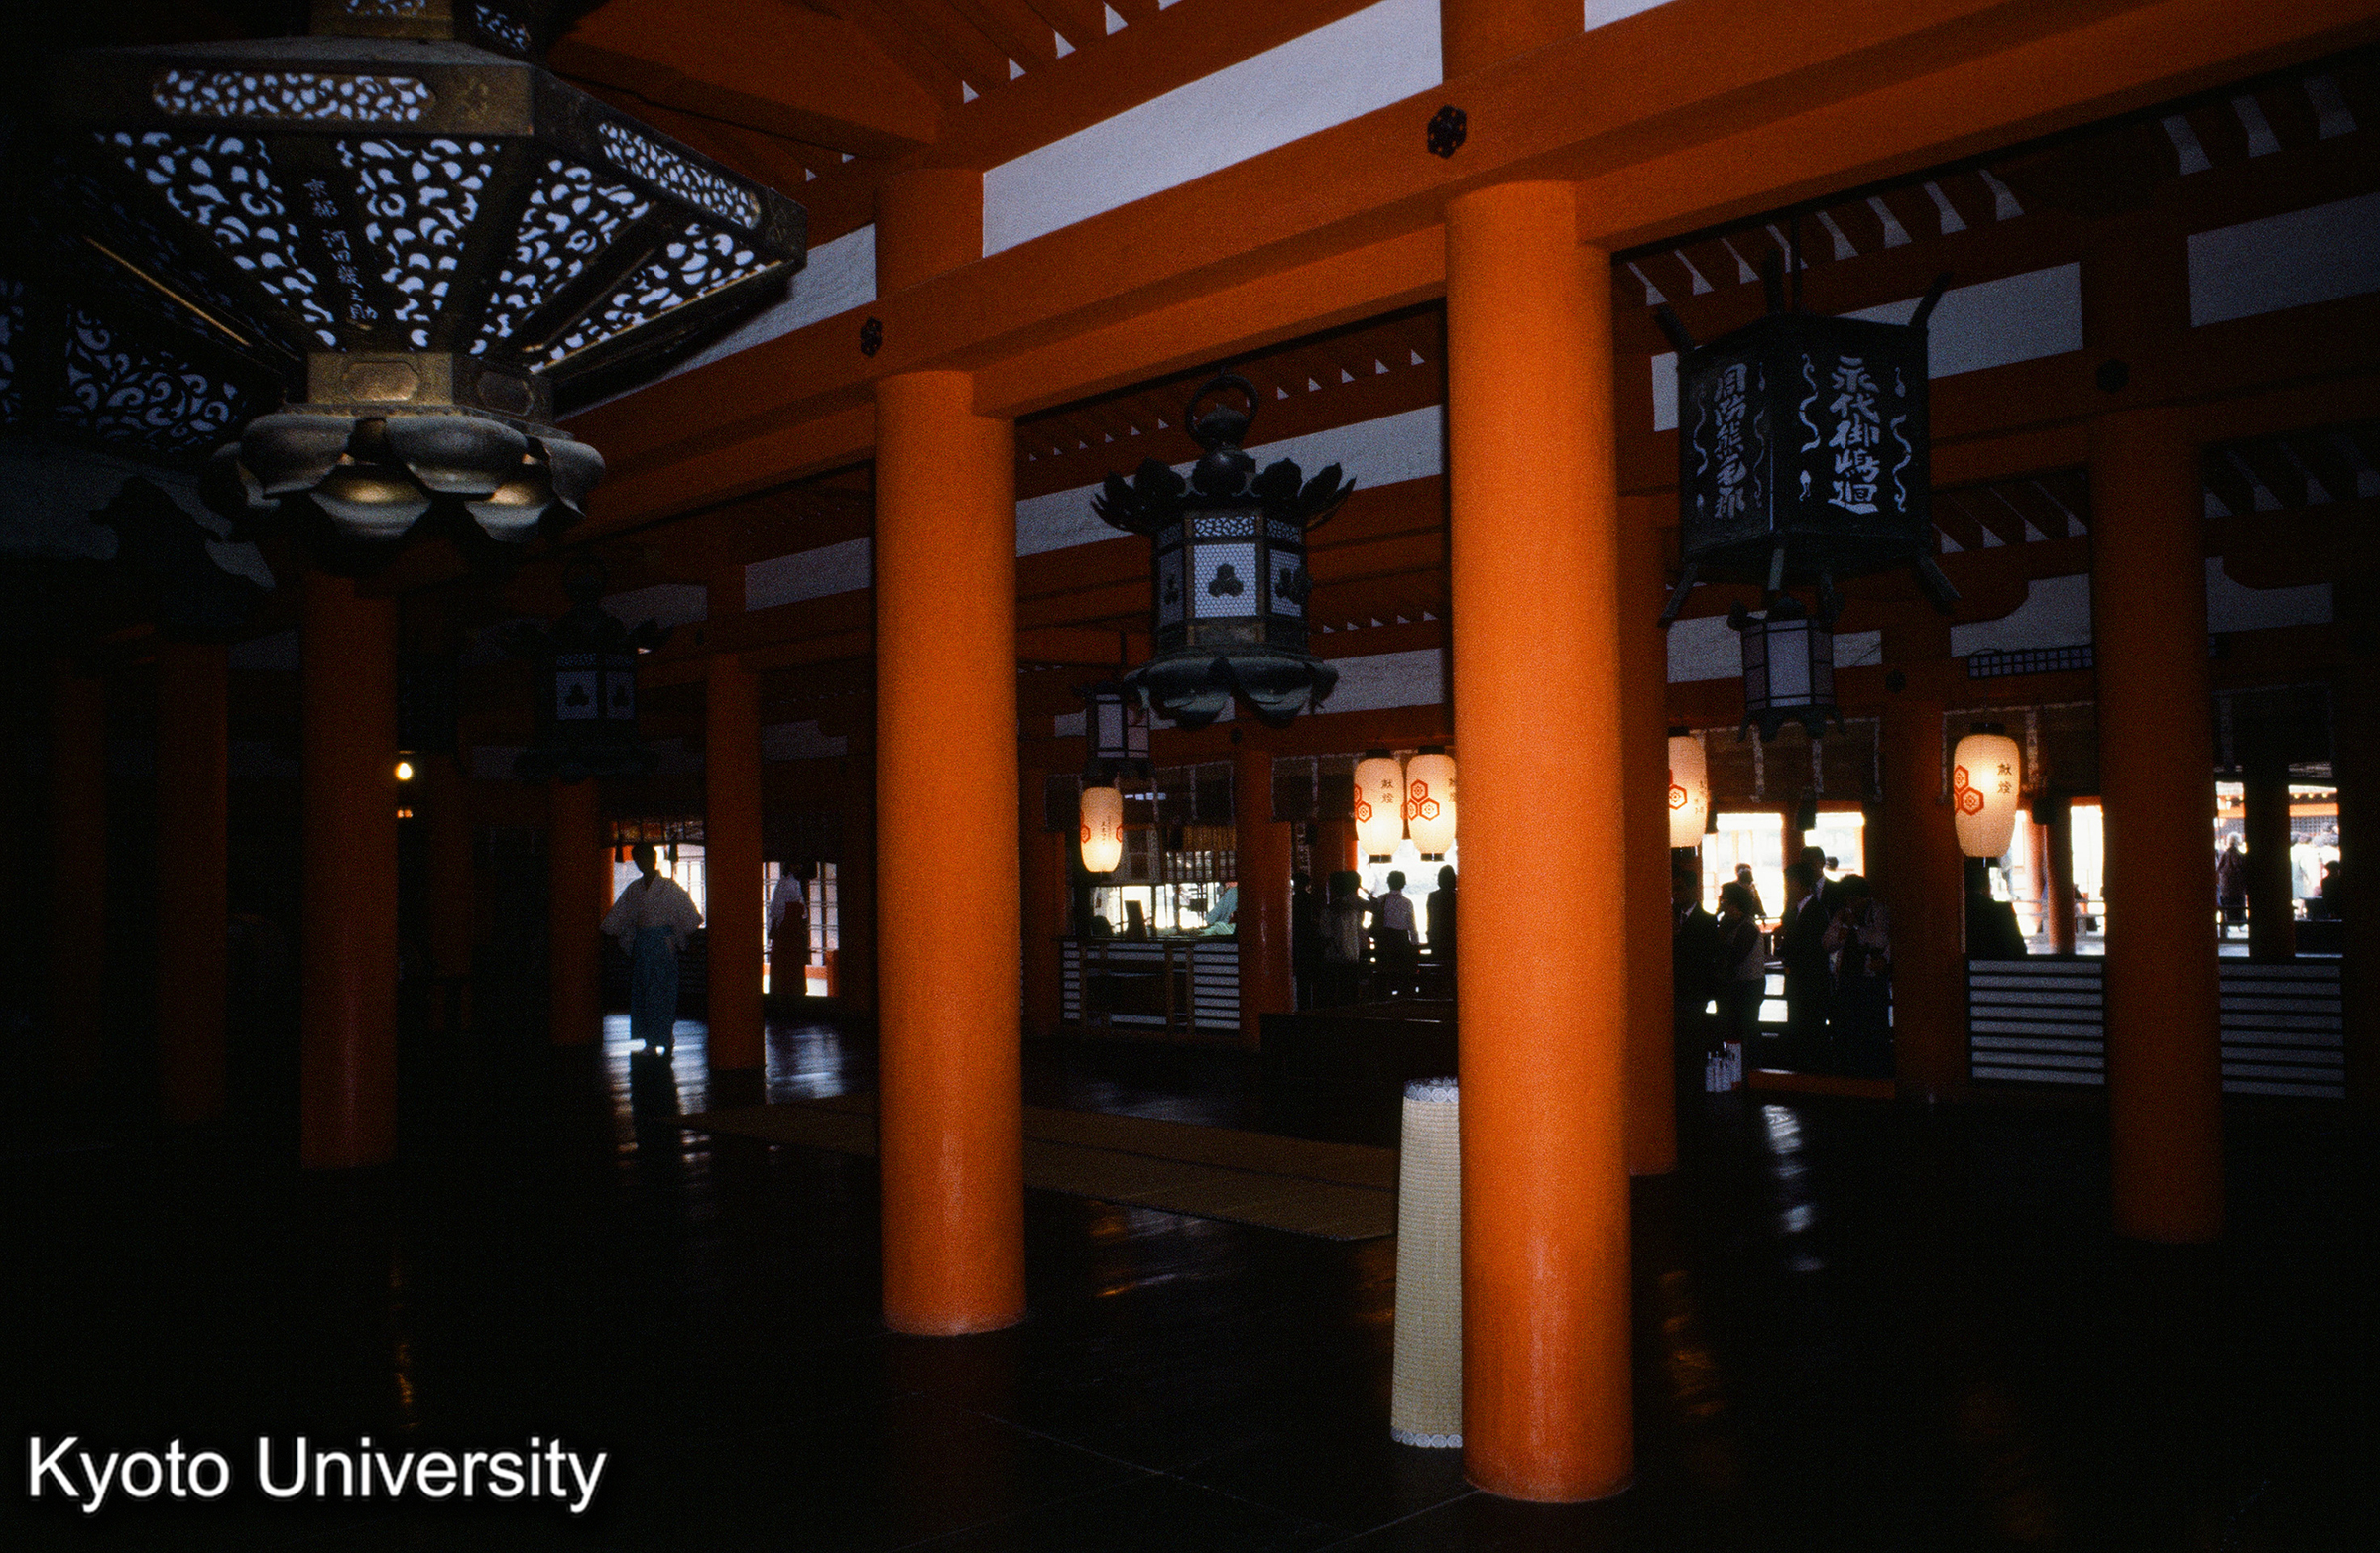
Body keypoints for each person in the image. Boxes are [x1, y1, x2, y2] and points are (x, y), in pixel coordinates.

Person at [602, 843, 703, 1057]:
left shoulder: (669, 887)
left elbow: (686, 913)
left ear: (654, 858)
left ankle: (664, 1035)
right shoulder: (634, 889)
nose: (641, 863)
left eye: (645, 857)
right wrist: (608, 934)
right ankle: (651, 1040)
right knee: (644, 993)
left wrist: (692, 939)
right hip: (643, 945)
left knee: (663, 993)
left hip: (662, 946)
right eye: (638, 859)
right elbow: (621, 914)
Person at [1822, 874, 1892, 1075]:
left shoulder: (1878, 912)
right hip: (1846, 979)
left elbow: (1879, 940)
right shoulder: (1841, 914)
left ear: (1865, 897)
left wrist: (1856, 927)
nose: (1851, 904)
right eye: (1847, 900)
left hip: (1870, 980)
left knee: (1872, 1031)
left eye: (1854, 899)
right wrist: (1843, 929)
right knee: (1846, 1029)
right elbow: (1827, 942)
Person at [1777, 859, 1833, 1064]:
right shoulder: (1796, 912)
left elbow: (1809, 949)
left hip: (1811, 984)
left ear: (1798, 883)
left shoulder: (1815, 911)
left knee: (1810, 1033)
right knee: (1798, 1031)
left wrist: (1788, 944)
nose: (1787, 888)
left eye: (1789, 883)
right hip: (1799, 983)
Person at [1671, 867, 1721, 1087]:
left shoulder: (1707, 922)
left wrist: (1679, 937)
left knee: (1692, 1042)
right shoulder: (1666, 916)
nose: (1675, 893)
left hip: (1694, 992)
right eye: (1672, 888)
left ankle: (1694, 1085)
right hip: (1671, 991)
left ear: (1693, 889)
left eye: (1680, 888)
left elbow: (1705, 957)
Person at [1712, 880, 1767, 1056]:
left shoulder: (1748, 928)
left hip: (1747, 987)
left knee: (1746, 1028)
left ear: (1735, 904)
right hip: (1737, 987)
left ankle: (1751, 1065)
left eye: (1725, 901)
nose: (1722, 905)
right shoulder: (1730, 925)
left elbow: (1735, 957)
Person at [1318, 870, 1368, 1008]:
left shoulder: (1330, 910)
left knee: (1333, 995)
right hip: (1352, 955)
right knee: (1350, 994)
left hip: (1334, 956)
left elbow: (1326, 934)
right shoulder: (1355, 908)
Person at [1369, 870, 1416, 997]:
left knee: (1385, 973)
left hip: (1385, 941)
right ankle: (1403, 998)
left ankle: (1383, 998)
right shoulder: (1407, 903)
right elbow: (1411, 926)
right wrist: (1415, 943)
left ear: (1388, 883)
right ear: (1403, 883)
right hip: (1401, 941)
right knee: (1403, 974)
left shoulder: (1382, 899)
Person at [767, 867, 809, 1000]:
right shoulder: (785, 882)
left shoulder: (795, 882)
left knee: (789, 962)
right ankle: (787, 991)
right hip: (786, 928)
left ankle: (788, 990)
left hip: (792, 928)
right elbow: (776, 908)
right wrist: (774, 926)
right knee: (787, 962)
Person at [1290, 873, 1322, 1008]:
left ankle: (1302, 1005)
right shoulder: (1312, 900)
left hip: (1297, 941)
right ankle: (1312, 1005)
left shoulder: (1291, 901)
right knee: (1311, 978)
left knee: (1301, 978)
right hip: (1310, 941)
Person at [1426, 865, 1458, 980]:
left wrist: (1430, 935)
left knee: (1439, 971)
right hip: (1453, 939)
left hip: (1437, 939)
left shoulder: (1433, 897)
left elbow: (1430, 919)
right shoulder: (1457, 897)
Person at [2216, 836, 2248, 936]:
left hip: (2226, 886)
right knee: (2239, 904)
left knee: (2227, 906)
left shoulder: (2225, 854)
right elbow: (2241, 868)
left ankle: (2227, 925)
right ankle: (2240, 924)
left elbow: (2219, 868)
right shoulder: (2238, 855)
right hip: (2237, 885)